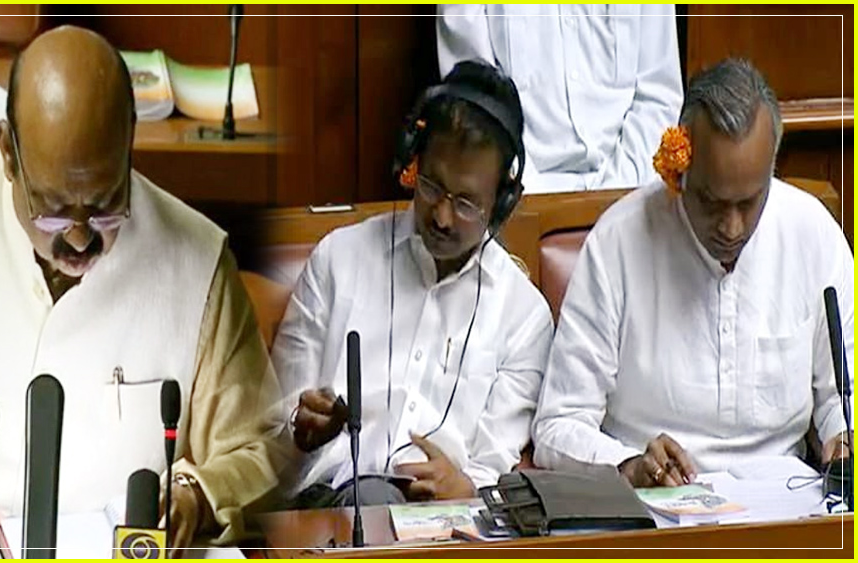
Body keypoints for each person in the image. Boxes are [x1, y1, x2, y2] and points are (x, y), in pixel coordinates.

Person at [0, 26, 285, 553]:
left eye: (106, 205)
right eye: (53, 210)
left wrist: (196, 496)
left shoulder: (197, 261)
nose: (81, 237)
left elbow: (263, 446)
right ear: (8, 153)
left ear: (129, 142)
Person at [531, 58, 853, 487]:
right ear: (678, 171)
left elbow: (841, 399)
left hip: (788, 500)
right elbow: (558, 425)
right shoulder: (618, 241)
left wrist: (843, 439)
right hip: (651, 507)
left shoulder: (813, 235)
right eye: (712, 202)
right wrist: (628, 464)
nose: (732, 228)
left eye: (749, 203)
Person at [272, 60, 554, 508]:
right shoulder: (338, 259)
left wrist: (466, 488)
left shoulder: (525, 316)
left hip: (449, 525)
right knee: (372, 499)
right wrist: (299, 430)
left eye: (466, 203)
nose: (442, 217)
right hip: (329, 506)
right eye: (431, 187)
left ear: (503, 201)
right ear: (413, 163)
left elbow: (492, 467)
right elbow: (267, 433)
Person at [437, 4, 683, 193]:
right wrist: (533, 197)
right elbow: (476, 104)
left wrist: (617, 195)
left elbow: (658, 95)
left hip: (632, 193)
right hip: (518, 198)